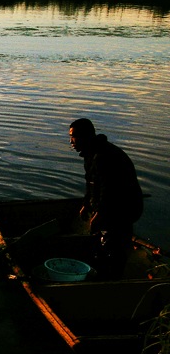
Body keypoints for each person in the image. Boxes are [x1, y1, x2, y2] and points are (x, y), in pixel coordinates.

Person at [68, 118, 143, 278]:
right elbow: (92, 183)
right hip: (111, 203)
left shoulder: (104, 157)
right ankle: (105, 265)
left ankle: (113, 278)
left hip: (125, 207)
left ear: (84, 137)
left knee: (114, 243)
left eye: (73, 137)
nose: (71, 142)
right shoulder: (91, 155)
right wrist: (86, 204)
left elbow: (109, 191)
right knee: (105, 239)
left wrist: (99, 214)